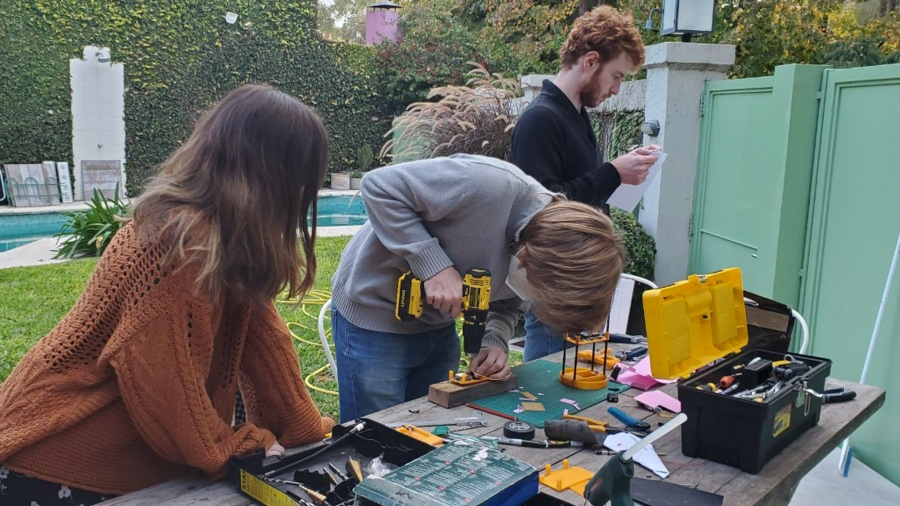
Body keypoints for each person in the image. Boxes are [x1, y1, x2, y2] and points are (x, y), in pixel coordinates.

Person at [0, 84, 334, 505]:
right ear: (274, 177)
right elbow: (168, 393)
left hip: (119, 451)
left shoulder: (228, 241)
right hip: (57, 447)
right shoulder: (179, 242)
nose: (306, 196)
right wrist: (236, 447)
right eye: (303, 180)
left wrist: (303, 427)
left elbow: (266, 344)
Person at [330, 154, 625, 422]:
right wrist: (434, 265)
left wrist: (494, 341)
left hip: (438, 324)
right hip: (374, 313)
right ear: (534, 255)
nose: (534, 294)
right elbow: (379, 186)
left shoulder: (544, 255)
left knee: (425, 424)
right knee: (373, 434)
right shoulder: (484, 184)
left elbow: (512, 298)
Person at [510, 5, 660, 362]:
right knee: (548, 391)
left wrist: (622, 171)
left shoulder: (574, 115)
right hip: (557, 282)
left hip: (579, 278)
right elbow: (540, 209)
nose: (617, 89)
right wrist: (612, 172)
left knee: (570, 386)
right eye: (617, 76)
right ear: (590, 61)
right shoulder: (541, 119)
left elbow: (578, 188)